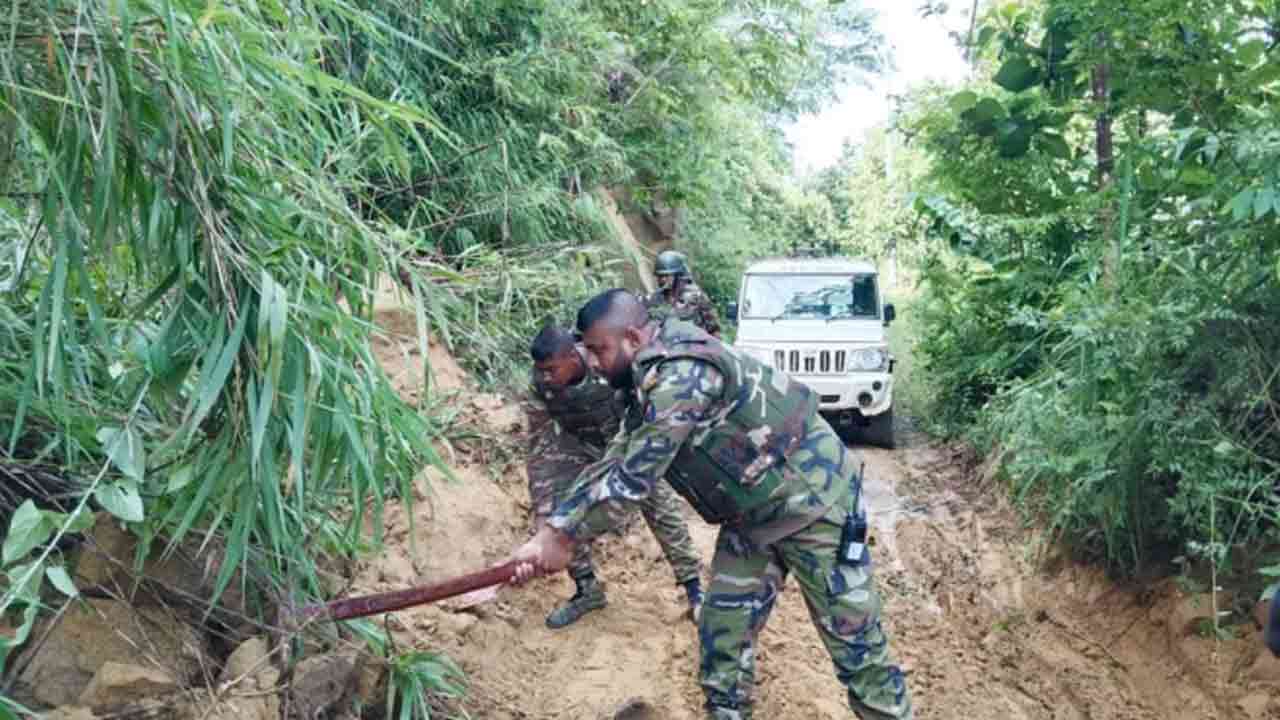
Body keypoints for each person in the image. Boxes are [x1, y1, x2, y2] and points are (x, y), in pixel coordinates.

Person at [510, 291, 913, 720]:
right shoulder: (645, 379)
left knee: (859, 653)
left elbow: (632, 480)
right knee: (722, 642)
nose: (590, 362)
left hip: (814, 506)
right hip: (752, 517)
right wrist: (551, 531)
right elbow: (617, 456)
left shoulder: (681, 377)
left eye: (598, 349)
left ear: (631, 337)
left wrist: (565, 537)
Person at [524, 324, 704, 628]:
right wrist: (545, 514)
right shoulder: (540, 384)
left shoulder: (606, 367)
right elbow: (540, 444)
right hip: (578, 446)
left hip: (626, 443)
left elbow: (643, 409)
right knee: (563, 512)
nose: (545, 377)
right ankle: (587, 590)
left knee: (660, 508)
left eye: (551, 369)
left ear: (572, 356)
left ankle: (695, 590)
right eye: (541, 370)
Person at [644, 250, 721, 337]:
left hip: (694, 347)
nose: (662, 279)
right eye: (660, 276)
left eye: (667, 275)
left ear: (677, 275)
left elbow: (714, 330)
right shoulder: (655, 298)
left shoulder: (696, 296)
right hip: (664, 347)